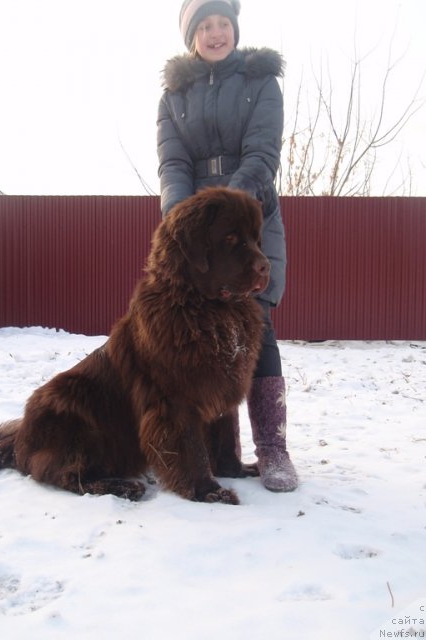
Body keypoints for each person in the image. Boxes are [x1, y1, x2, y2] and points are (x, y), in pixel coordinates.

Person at [156, 0, 298, 491]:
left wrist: (231, 203)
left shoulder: (261, 81)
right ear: (191, 35)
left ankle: (274, 450)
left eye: (223, 24)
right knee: (206, 331)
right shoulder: (174, 93)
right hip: (200, 228)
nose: (216, 33)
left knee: (256, 321)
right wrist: (180, 219)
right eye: (205, 26)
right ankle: (224, 450)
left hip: (253, 213)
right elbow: (172, 163)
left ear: (234, 29)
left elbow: (264, 151)